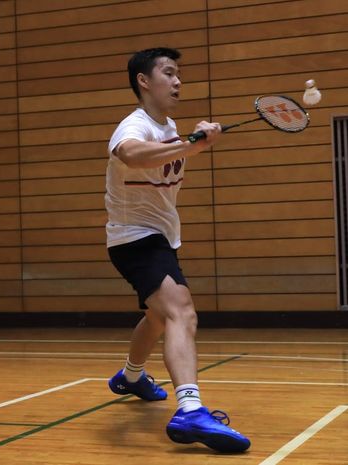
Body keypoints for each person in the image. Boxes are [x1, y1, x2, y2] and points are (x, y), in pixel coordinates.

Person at [105, 47, 250, 452]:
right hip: (134, 237)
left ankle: (130, 378)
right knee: (181, 310)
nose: (178, 81)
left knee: (158, 318)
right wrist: (192, 145)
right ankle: (189, 408)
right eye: (169, 73)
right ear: (143, 81)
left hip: (161, 236)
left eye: (179, 74)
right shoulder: (133, 127)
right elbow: (130, 155)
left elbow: (175, 149)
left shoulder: (168, 126)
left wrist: (190, 140)